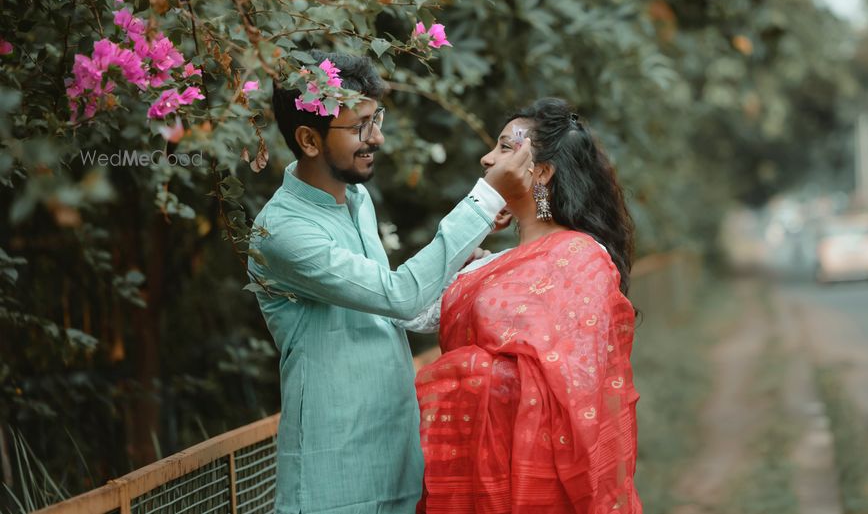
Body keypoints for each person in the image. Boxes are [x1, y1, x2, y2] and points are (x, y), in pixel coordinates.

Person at [247, 53, 534, 514]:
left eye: (375, 119)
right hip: (332, 482)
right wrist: (483, 199)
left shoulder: (358, 201)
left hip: (398, 460)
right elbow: (401, 296)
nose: (376, 137)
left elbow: (408, 312)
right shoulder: (283, 231)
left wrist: (484, 260)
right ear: (309, 139)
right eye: (360, 126)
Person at [414, 98, 642, 514]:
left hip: (536, 482)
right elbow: (408, 308)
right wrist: (471, 234)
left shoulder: (580, 258)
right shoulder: (490, 264)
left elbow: (577, 390)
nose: (487, 159)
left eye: (505, 148)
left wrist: (462, 374)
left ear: (540, 173)